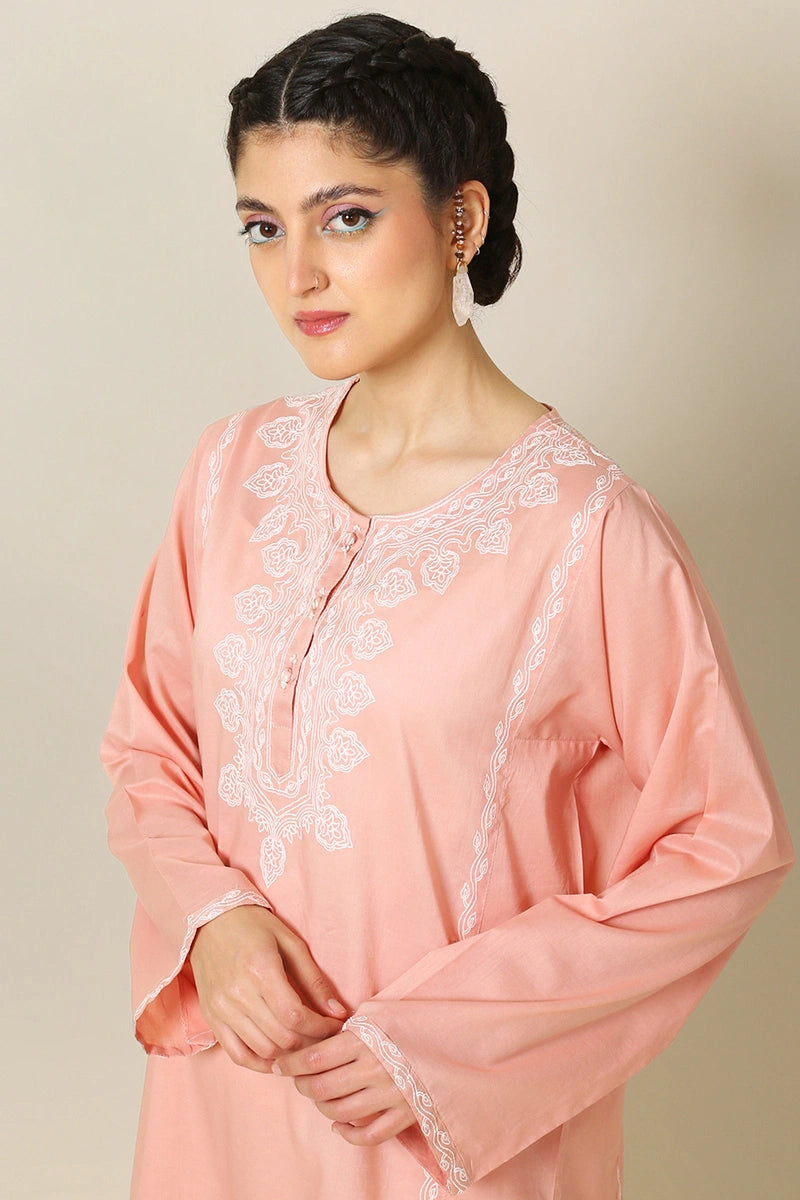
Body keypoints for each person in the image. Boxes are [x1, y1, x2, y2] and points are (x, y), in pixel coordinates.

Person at [100, 12, 793, 1200]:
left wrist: (445, 1046)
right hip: (227, 1099)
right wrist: (210, 919)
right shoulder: (231, 475)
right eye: (263, 228)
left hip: (437, 1135)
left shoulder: (585, 533)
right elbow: (149, 748)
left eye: (345, 218)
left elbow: (723, 845)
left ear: (458, 220)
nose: (297, 274)